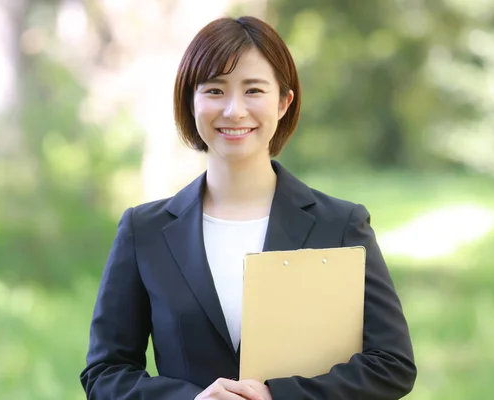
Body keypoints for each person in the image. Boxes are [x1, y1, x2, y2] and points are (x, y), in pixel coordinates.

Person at [80, 15, 416, 400]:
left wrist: (277, 396)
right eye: (215, 91)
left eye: (254, 90)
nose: (234, 110)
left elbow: (392, 364)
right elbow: (105, 373)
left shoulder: (340, 224)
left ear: (284, 102)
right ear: (191, 102)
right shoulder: (144, 231)